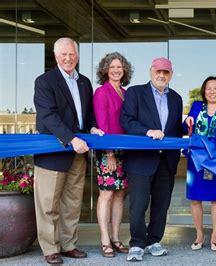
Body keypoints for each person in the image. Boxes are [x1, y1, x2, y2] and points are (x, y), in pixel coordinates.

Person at [33, 37, 104, 264]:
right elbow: (48, 116)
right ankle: (50, 248)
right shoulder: (44, 81)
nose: (68, 58)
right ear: (56, 57)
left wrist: (92, 126)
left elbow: (88, 113)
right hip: (53, 153)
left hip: (78, 152)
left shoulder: (84, 82)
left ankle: (68, 244)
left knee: (72, 203)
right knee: (48, 204)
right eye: (63, 54)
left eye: (72, 54)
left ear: (77, 56)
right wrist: (71, 138)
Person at [120, 57, 184, 262]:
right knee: (138, 205)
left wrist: (188, 125)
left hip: (167, 161)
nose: (162, 75)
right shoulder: (135, 93)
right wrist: (147, 131)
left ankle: (154, 241)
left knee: (161, 204)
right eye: (159, 71)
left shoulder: (176, 98)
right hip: (141, 160)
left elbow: (173, 130)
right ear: (151, 72)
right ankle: (137, 243)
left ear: (171, 75)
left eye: (166, 72)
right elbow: (126, 121)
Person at [183, 76, 216, 252]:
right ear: (204, 91)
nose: (212, 91)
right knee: (195, 198)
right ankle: (199, 235)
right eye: (208, 88)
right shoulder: (196, 107)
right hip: (195, 160)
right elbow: (186, 126)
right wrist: (187, 121)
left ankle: (214, 235)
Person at [93, 52, 133, 257]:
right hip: (108, 149)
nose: (116, 70)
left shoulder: (125, 92)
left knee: (119, 194)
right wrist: (108, 152)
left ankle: (116, 238)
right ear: (105, 70)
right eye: (112, 67)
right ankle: (105, 240)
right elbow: (102, 124)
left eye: (119, 67)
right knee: (107, 194)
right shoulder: (102, 91)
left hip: (125, 150)